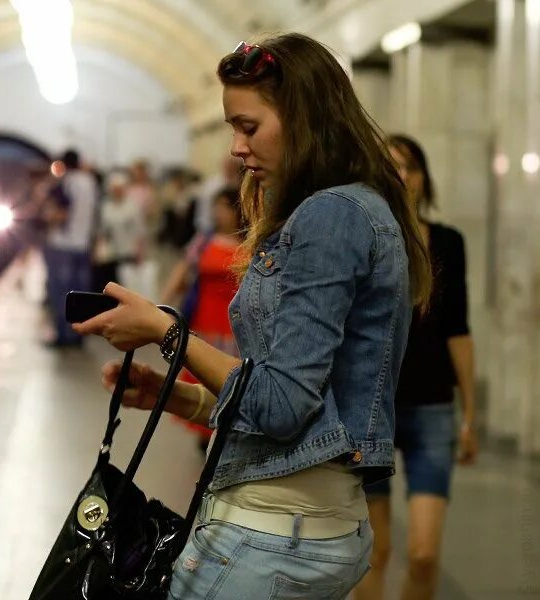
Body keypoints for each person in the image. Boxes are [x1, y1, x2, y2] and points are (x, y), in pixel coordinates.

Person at [72, 33, 432, 598]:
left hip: (270, 535)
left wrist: (168, 332)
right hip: (301, 524)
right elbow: (301, 399)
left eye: (249, 126)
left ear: (305, 120)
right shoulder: (354, 208)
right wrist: (180, 393)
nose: (237, 148)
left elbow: (282, 407)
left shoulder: (329, 217)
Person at [354, 135, 478, 600]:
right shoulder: (362, 238)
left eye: (412, 167)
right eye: (392, 166)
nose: (402, 176)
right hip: (372, 412)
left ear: (425, 178)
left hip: (432, 408)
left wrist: (470, 416)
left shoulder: (448, 242)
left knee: (424, 554)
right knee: (376, 551)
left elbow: (459, 331)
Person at [164, 187, 246, 451]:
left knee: (230, 375)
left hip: (235, 323)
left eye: (225, 207)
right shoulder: (205, 239)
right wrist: (163, 302)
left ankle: (229, 429)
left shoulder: (252, 241)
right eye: (217, 206)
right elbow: (184, 268)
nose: (219, 213)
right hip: (205, 317)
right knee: (202, 372)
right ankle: (205, 432)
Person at [43, 149, 98, 348]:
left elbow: (61, 213)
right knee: (82, 294)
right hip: (83, 245)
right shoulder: (90, 182)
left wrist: (47, 217)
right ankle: (80, 335)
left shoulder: (67, 182)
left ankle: (62, 335)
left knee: (61, 293)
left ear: (64, 164)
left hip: (63, 245)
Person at [91, 172, 147, 293]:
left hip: (128, 253)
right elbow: (100, 230)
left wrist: (140, 252)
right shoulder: (105, 206)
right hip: (109, 255)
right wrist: (97, 250)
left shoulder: (132, 206)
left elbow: (140, 231)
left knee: (125, 287)